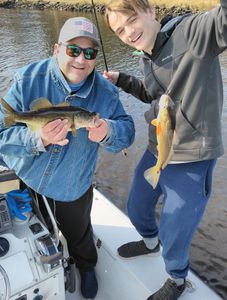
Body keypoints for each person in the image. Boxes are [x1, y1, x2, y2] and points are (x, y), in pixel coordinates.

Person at [0, 17, 135, 299]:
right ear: (56, 49)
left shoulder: (106, 93)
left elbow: (127, 133)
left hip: (73, 187)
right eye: (73, 50)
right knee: (41, 230)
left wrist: (109, 131)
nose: (81, 60)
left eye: (90, 53)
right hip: (29, 179)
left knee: (80, 234)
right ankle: (51, 258)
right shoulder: (28, 80)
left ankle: (86, 267)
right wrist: (36, 138)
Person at [104, 1, 227, 299]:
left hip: (192, 158)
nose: (128, 32)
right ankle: (149, 242)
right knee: (137, 206)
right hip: (157, 148)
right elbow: (152, 93)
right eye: (119, 31)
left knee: (175, 228)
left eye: (131, 20)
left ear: (150, 11)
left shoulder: (194, 32)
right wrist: (123, 80)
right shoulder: (147, 54)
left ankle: (176, 278)